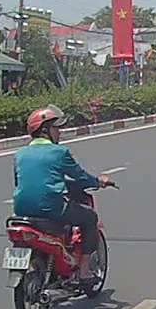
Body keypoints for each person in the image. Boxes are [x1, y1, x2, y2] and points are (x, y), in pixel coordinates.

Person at [12, 105, 113, 280]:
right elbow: (80, 177)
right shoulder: (59, 152)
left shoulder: (19, 154)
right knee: (90, 218)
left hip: (21, 210)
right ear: (45, 131)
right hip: (51, 208)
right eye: (56, 128)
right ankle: (84, 271)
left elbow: (22, 181)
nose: (59, 132)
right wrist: (98, 182)